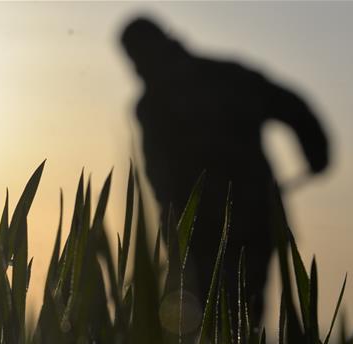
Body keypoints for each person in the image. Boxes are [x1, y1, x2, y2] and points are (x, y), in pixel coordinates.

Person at [121, 16, 331, 324]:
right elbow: (293, 107)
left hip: (220, 228)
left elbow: (159, 180)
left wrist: (316, 151)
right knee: (237, 318)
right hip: (237, 223)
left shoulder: (157, 103)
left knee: (218, 320)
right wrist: (317, 153)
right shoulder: (225, 77)